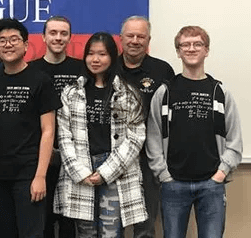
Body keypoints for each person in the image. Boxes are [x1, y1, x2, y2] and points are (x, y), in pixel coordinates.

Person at [146, 26, 242, 238]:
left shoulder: (220, 92)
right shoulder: (165, 93)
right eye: (185, 45)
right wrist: (163, 174)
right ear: (178, 51)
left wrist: (220, 174)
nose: (191, 49)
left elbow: (234, 141)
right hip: (173, 184)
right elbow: (153, 137)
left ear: (206, 50)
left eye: (197, 44)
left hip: (212, 184)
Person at [54, 32, 147, 237]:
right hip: (82, 169)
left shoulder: (127, 93)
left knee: (111, 232)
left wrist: (106, 172)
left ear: (112, 57)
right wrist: (80, 172)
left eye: (102, 54)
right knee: (85, 233)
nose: (95, 59)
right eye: (91, 54)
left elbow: (135, 138)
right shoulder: (71, 93)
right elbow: (64, 137)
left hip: (115, 170)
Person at [0, 18, 61, 238]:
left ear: (26, 45)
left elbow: (48, 131)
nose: (8, 45)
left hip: (29, 173)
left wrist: (40, 176)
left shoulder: (40, 80)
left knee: (32, 233)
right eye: (2, 41)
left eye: (14, 40)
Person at [118, 15, 174, 238]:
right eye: (130, 35)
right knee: (112, 224)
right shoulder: (107, 66)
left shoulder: (163, 71)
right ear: (120, 38)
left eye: (140, 36)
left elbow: (171, 118)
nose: (135, 40)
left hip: (148, 159)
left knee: (145, 225)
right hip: (112, 157)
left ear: (148, 39)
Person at [29, 16, 82, 238]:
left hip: (75, 156)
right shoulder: (31, 70)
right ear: (43, 37)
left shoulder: (82, 70)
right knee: (43, 220)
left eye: (63, 33)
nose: (58, 38)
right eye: (53, 33)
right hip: (40, 156)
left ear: (70, 37)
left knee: (70, 222)